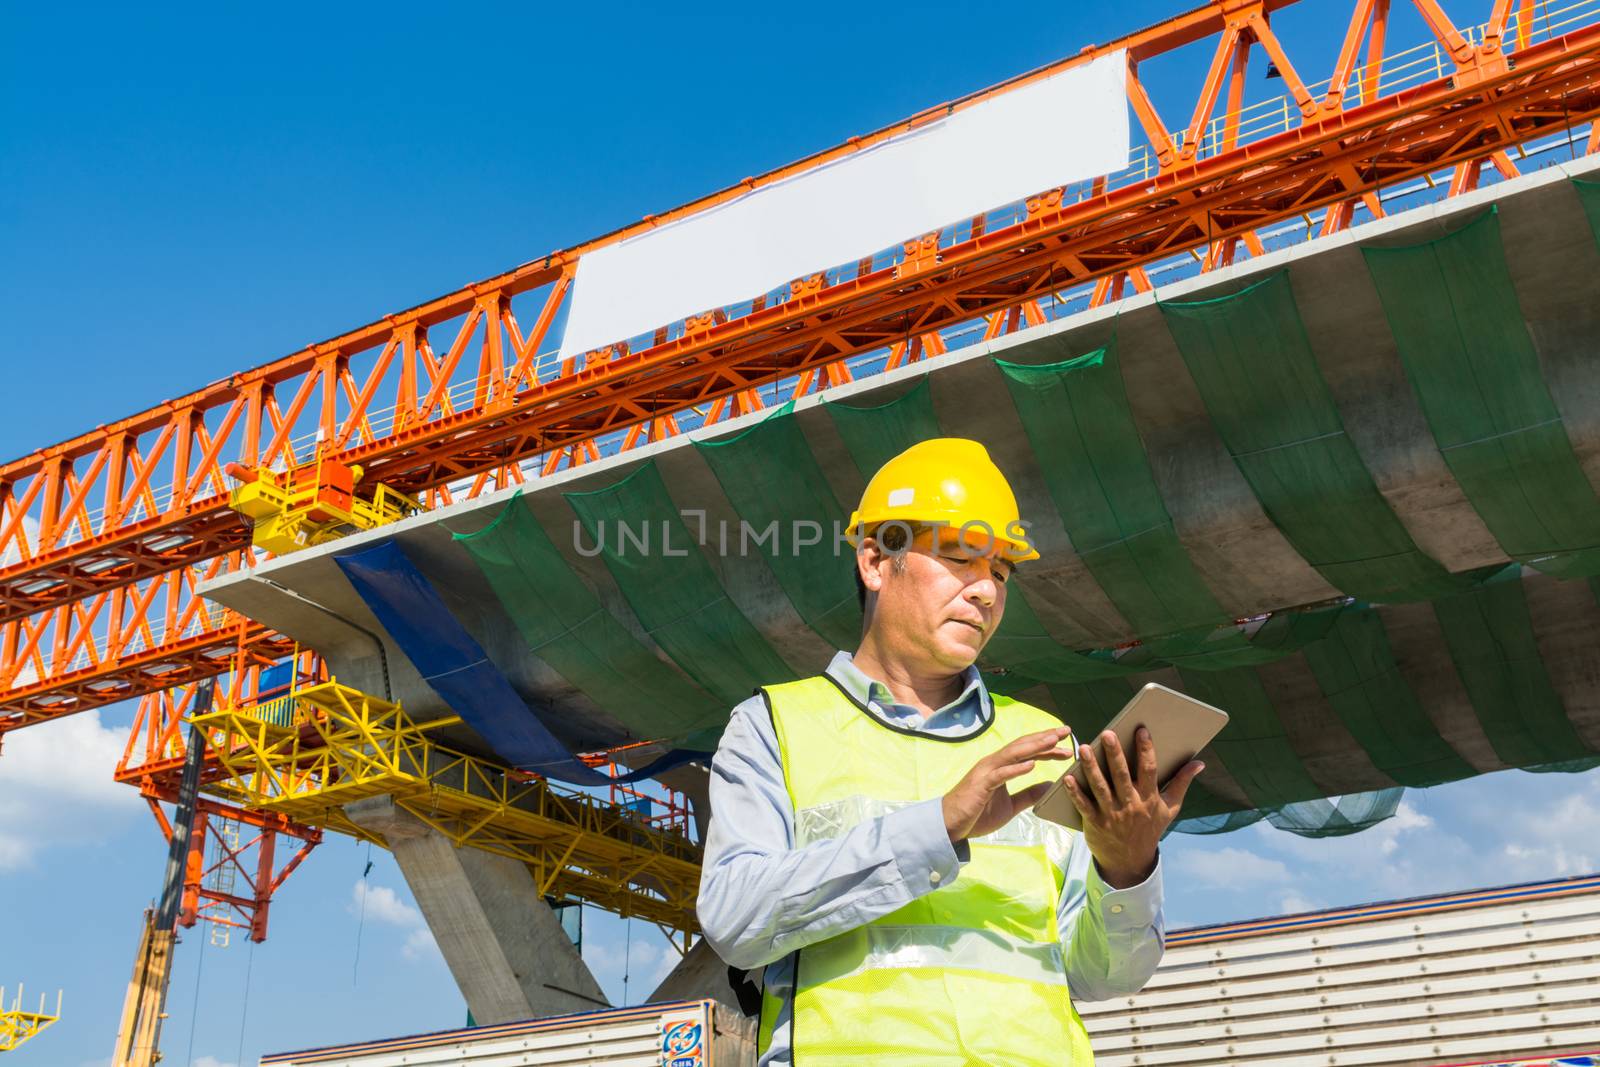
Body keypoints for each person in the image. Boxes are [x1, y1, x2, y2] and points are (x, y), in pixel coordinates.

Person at [697, 437, 1203, 1065]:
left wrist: (1126, 869)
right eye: (962, 557)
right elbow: (734, 920)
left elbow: (1106, 976)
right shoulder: (775, 726)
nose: (986, 592)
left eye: (1000, 571)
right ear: (877, 561)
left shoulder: (1045, 744)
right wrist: (937, 827)